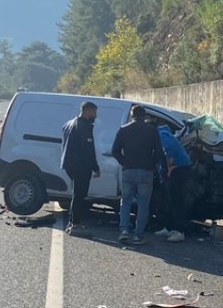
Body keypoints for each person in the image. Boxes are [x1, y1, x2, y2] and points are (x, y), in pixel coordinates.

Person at [111, 104, 164, 244]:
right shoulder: (151, 130)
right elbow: (159, 152)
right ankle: (138, 235)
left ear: (132, 115)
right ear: (144, 115)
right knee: (143, 203)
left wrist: (125, 162)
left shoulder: (123, 130)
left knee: (125, 201)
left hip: (128, 170)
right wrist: (152, 165)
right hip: (145, 171)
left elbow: (114, 151)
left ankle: (124, 230)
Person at [60, 101, 99, 237]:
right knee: (79, 195)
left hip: (70, 164)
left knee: (76, 195)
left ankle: (73, 222)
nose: (95, 115)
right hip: (81, 166)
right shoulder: (83, 126)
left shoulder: (69, 124)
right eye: (94, 112)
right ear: (88, 111)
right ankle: (75, 225)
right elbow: (88, 150)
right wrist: (95, 167)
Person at [153, 123, 192, 242]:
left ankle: (179, 231)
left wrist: (170, 167)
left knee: (177, 200)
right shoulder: (166, 133)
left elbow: (169, 150)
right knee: (169, 200)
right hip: (179, 168)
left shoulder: (162, 134)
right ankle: (169, 228)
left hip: (179, 169)